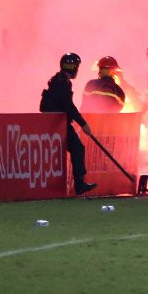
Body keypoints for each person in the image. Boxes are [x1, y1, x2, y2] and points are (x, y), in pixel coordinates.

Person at [39, 53, 97, 195]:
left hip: (59, 123)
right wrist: (83, 124)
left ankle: (80, 184)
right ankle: (80, 185)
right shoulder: (62, 83)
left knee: (78, 148)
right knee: (78, 148)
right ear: (72, 67)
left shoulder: (60, 81)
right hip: (58, 124)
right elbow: (69, 106)